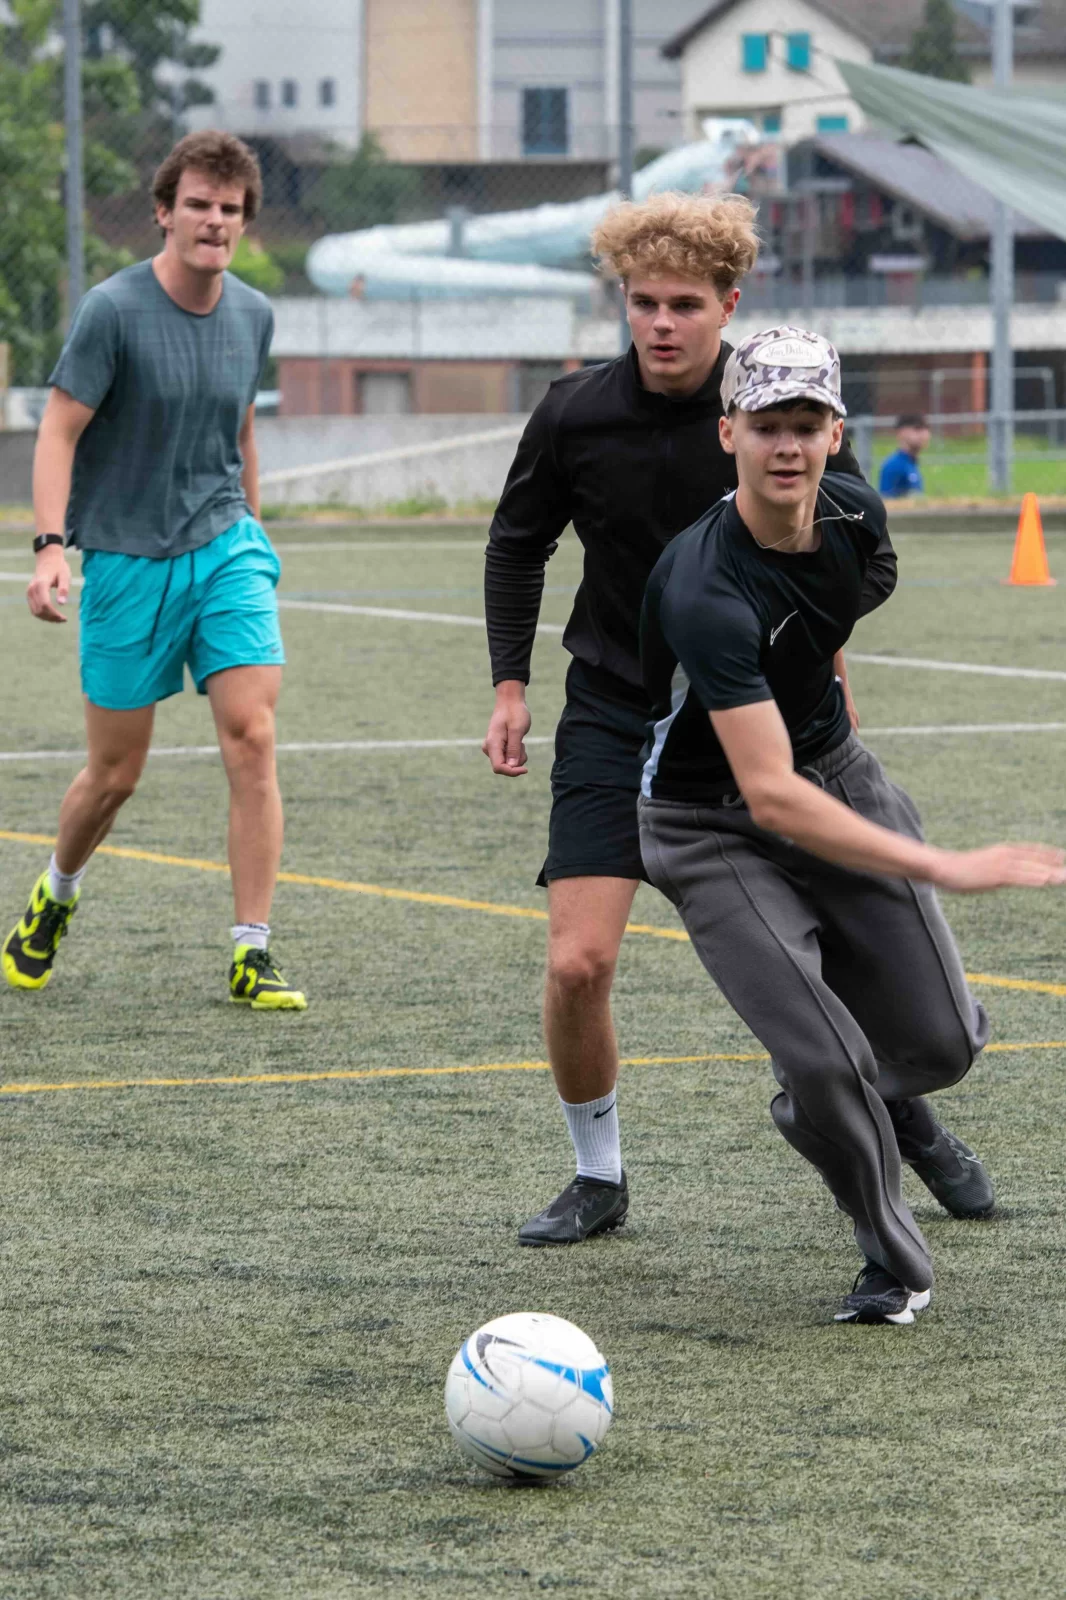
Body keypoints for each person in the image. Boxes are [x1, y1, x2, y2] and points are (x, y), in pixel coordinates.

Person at [637, 325, 1064, 1323]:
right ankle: (892, 1261)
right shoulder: (702, 586)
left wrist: (823, 680)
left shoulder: (858, 514)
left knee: (943, 1043)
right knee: (826, 1062)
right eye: (765, 425)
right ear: (728, 433)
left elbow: (837, 601)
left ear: (837, 434)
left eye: (806, 423)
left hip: (837, 770)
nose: (786, 446)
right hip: (709, 823)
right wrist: (943, 863)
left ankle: (884, 1101)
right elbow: (771, 795)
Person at [483, 191, 877, 1247]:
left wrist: (828, 671)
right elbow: (517, 543)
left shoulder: (778, 406)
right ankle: (597, 1174)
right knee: (577, 963)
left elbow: (832, 550)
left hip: (753, 722)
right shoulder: (573, 412)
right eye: (643, 302)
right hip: (614, 712)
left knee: (830, 956)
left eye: (685, 305)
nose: (661, 323)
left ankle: (907, 1117)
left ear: (728, 305)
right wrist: (510, 685)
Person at [2, 130, 306, 1011]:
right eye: (199, 205)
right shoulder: (112, 310)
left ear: (245, 221)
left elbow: (242, 429)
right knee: (115, 774)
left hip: (226, 545)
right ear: (164, 213)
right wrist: (50, 547)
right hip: (127, 559)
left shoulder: (253, 314)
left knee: (252, 736)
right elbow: (58, 432)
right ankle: (57, 892)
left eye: (230, 209)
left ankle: (252, 950)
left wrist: (255, 532)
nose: (215, 221)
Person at [878, 413, 930, 498]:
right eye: (917, 429)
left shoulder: (911, 462)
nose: (925, 434)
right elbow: (886, 501)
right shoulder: (894, 465)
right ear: (901, 432)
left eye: (926, 429)